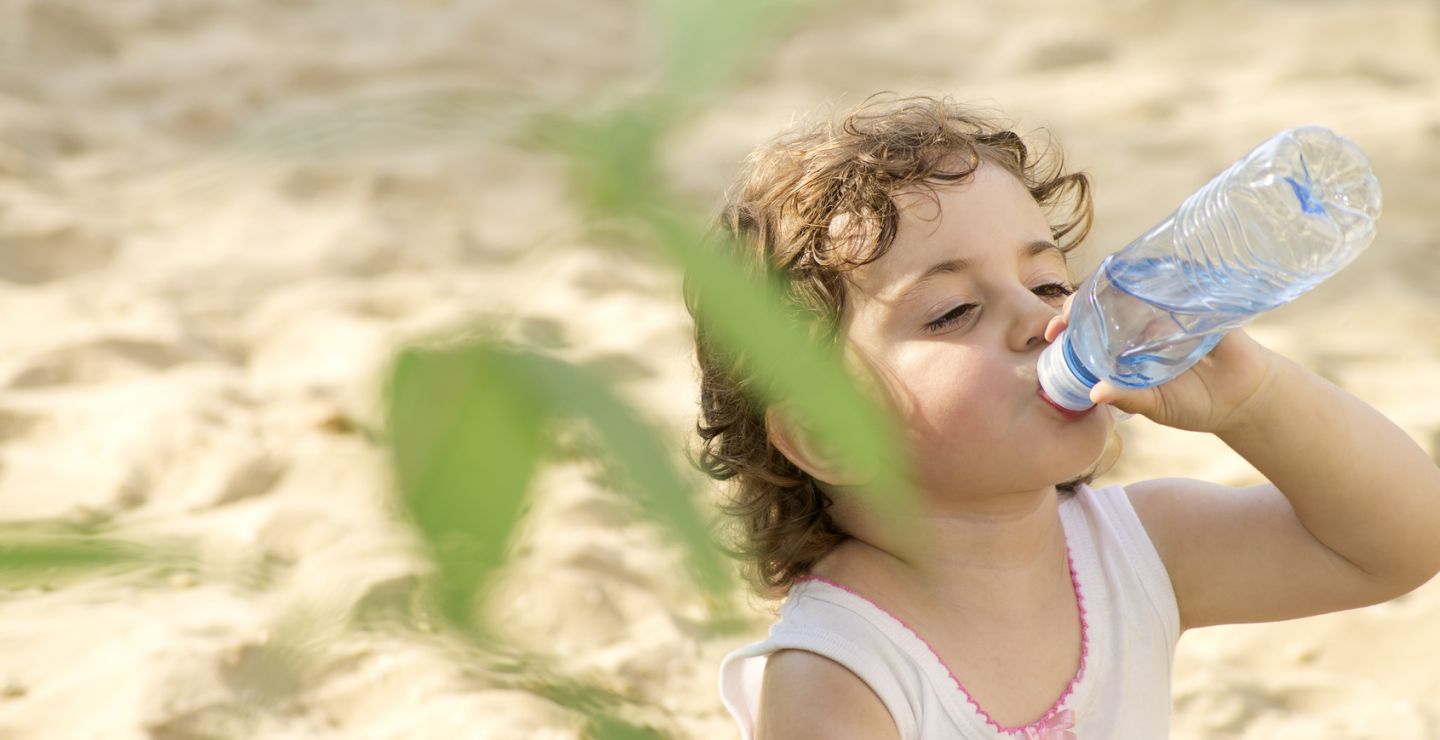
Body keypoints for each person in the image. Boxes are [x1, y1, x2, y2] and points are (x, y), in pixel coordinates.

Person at [684, 94, 1440, 738]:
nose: (1038, 319)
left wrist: (1256, 400)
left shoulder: (1139, 551)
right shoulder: (840, 671)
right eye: (954, 312)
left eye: (1048, 283)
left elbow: (1399, 542)